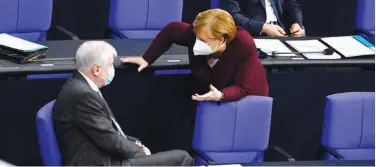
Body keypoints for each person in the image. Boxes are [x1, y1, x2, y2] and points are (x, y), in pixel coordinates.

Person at [52, 41, 193, 166]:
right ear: (96, 70)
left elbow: (107, 131)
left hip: (105, 155)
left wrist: (136, 144)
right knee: (182, 158)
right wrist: (140, 154)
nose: (112, 69)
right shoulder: (82, 95)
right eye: (110, 65)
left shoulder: (81, 85)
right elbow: (108, 138)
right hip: (100, 163)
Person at [121, 9, 268, 102]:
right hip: (206, 91)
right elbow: (172, 29)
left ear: (222, 39)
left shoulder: (243, 44)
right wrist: (146, 58)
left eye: (203, 41)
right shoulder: (196, 31)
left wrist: (222, 95)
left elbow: (243, 88)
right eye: (196, 37)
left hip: (242, 98)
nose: (197, 43)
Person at [221, 0, 305, 37]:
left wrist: (296, 23)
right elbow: (232, 15)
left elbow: (293, 6)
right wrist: (262, 27)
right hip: (254, 34)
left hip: (283, 32)